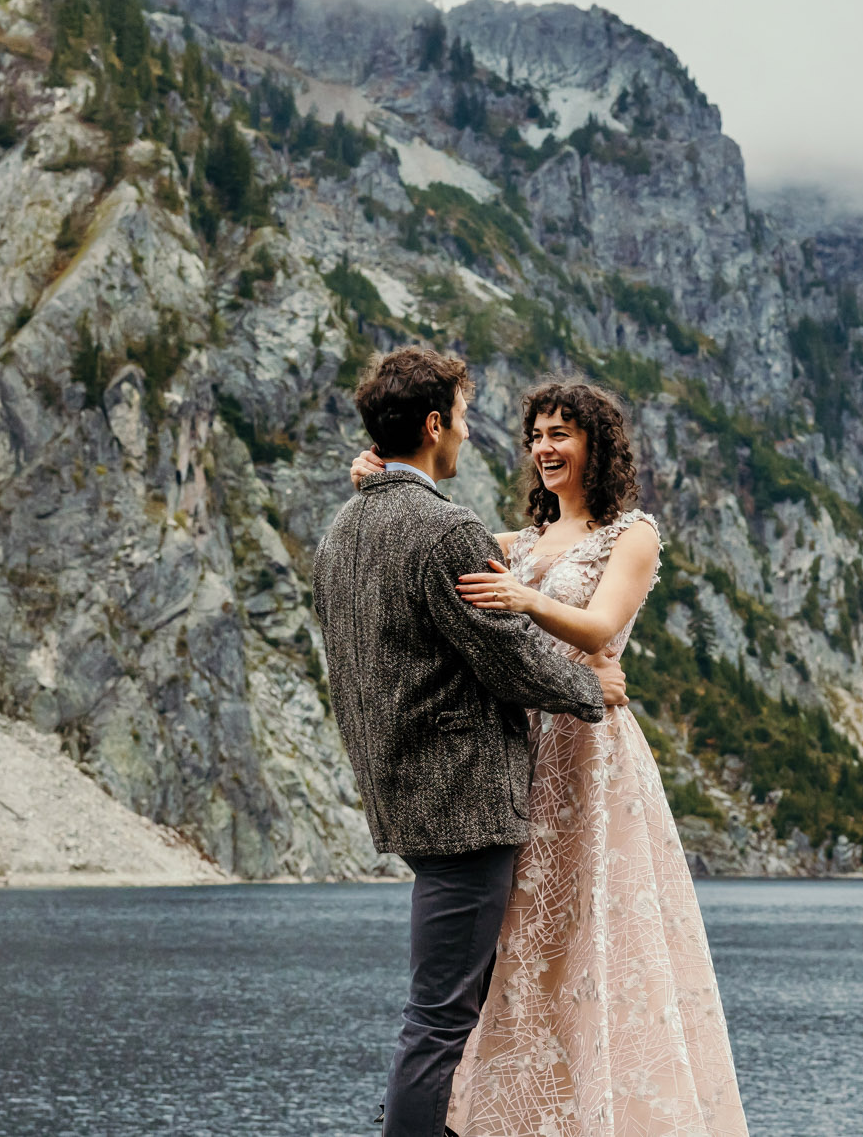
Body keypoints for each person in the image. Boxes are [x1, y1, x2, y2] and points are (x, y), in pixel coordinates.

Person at [350, 380, 750, 1136]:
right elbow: (432, 527)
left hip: (590, 749)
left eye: (561, 433)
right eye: (536, 435)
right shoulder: (522, 542)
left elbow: (600, 627)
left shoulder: (632, 534)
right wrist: (379, 473)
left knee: (590, 929)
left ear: (597, 443)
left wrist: (526, 600)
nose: (544, 448)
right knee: (516, 938)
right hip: (520, 750)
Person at [310, 348, 622, 1137]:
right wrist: (593, 688)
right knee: (441, 1019)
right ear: (432, 425)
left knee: (456, 1009)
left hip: (402, 793)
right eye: (462, 416)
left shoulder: (343, 528)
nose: (468, 432)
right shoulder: (444, 529)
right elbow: (508, 658)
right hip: (465, 802)